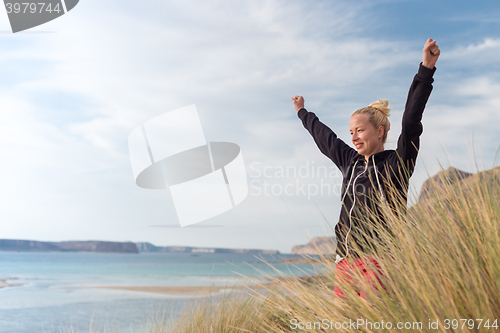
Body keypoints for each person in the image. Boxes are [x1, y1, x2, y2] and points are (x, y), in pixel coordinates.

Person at [291, 38, 440, 299]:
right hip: (345, 260)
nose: (354, 136)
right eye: (351, 132)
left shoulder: (399, 162)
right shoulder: (350, 161)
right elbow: (325, 137)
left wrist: (425, 70)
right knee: (345, 324)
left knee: (372, 321)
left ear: (379, 131)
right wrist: (303, 112)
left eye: (359, 130)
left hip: (380, 260)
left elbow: (411, 119)